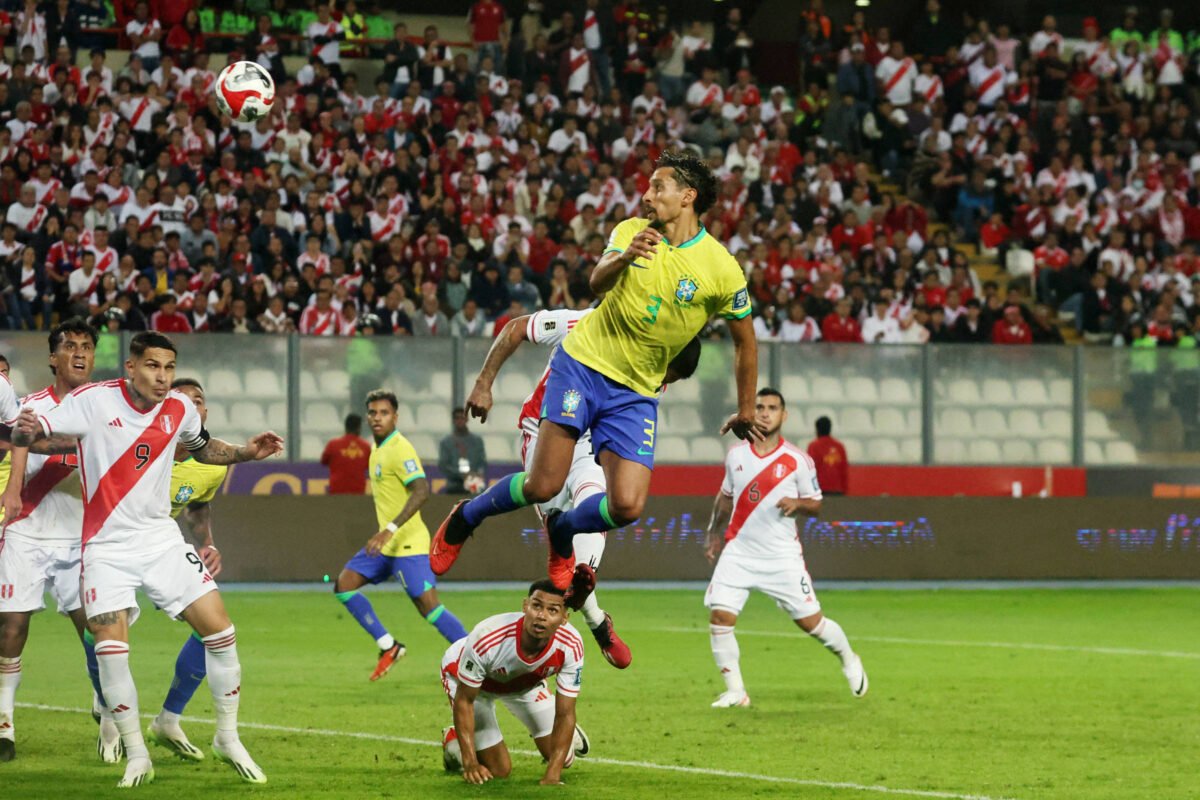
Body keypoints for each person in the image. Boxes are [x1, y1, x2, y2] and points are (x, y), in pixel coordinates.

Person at [432, 149, 761, 590]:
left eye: (657, 187)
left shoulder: (721, 268)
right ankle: (466, 516)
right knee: (542, 486)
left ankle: (563, 530)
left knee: (627, 506)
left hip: (636, 392)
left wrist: (745, 408)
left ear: (688, 196)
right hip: (583, 367)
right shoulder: (631, 231)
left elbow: (746, 341)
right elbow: (596, 282)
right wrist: (624, 257)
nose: (646, 196)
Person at [11, 331, 283, 787]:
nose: (162, 377)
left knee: (222, 633)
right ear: (131, 367)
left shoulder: (178, 407)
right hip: (104, 548)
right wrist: (26, 447)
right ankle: (137, 753)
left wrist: (244, 454)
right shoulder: (93, 401)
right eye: (153, 366)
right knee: (112, 652)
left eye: (169, 368)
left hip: (160, 540)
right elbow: (31, 430)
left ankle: (227, 736)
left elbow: (202, 447)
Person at [464, 306, 702, 668]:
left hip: (593, 442)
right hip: (545, 432)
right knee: (556, 528)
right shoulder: (589, 322)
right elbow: (515, 328)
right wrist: (483, 382)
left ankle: (575, 608)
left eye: (671, 376)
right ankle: (596, 621)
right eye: (666, 369)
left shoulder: (652, 371)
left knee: (596, 508)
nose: (662, 377)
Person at [703, 388, 867, 708]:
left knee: (812, 624)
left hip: (781, 557)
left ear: (784, 415)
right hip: (740, 551)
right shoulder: (736, 455)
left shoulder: (798, 461)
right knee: (720, 617)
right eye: (759, 407)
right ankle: (737, 691)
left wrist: (798, 503)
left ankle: (848, 657)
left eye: (772, 408)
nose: (765, 413)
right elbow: (724, 498)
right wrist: (713, 532)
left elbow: (817, 505)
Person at [0, 320, 114, 763]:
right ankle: (5, 725)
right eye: (69, 346)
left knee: (97, 630)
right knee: (12, 628)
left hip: (82, 538)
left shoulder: (105, 407)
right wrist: (11, 490)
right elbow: (19, 442)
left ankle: (106, 709)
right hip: (28, 530)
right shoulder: (27, 408)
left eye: (86, 346)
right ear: (53, 357)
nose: (79, 353)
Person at [332, 390, 468, 682]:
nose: (377, 418)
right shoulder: (376, 449)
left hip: (407, 543)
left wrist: (389, 529)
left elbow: (422, 490)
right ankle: (388, 646)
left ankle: (477, 656)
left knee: (429, 608)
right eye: (372, 413)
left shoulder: (400, 448)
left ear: (395, 416)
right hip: (386, 545)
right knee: (344, 584)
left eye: (383, 413)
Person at [146, 378, 232, 761]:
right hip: (110, 541)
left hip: (161, 548)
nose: (193, 406)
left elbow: (197, 505)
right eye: (183, 400)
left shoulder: (213, 467)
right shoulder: (141, 445)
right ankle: (106, 705)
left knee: (212, 627)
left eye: (199, 400)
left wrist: (207, 542)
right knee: (98, 628)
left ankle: (168, 718)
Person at [440, 580, 588, 786]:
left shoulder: (570, 645)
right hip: (475, 685)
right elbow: (464, 701)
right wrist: (470, 762)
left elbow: (566, 712)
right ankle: (453, 741)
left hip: (524, 684)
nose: (542, 616)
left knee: (564, 760)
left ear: (564, 618)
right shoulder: (488, 638)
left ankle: (560, 729)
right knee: (498, 770)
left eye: (552, 610)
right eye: (536, 606)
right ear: (525, 606)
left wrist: (552, 776)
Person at [438, 407, 487, 495]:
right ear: (453, 420)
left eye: (463, 417)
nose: (460, 420)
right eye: (457, 418)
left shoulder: (477, 441)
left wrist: (477, 474)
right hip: (454, 486)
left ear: (467, 419)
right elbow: (443, 465)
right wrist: (461, 475)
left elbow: (482, 461)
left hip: (474, 486)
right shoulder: (446, 442)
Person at [320, 413, 371, 495]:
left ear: (345, 427)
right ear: (359, 428)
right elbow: (370, 466)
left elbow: (323, 461)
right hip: (358, 493)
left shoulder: (333, 444)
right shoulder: (366, 447)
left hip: (336, 492)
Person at [806, 416, 848, 496]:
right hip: (838, 490)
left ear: (817, 429)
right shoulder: (839, 447)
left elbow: (810, 470)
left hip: (820, 490)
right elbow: (844, 471)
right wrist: (845, 490)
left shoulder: (813, 446)